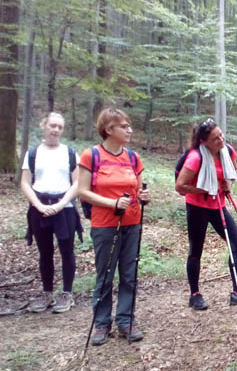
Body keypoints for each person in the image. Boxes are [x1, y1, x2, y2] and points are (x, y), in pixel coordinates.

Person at [78, 108, 151, 345]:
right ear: (109, 129)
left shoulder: (133, 158)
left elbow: (138, 190)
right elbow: (83, 191)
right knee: (105, 275)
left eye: (129, 126)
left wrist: (144, 197)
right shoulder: (91, 156)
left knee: (129, 274)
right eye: (124, 126)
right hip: (104, 225)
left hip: (132, 223)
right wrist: (113, 203)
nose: (130, 130)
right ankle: (101, 323)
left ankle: (126, 320)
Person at [175, 119, 237, 310]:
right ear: (203, 141)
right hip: (197, 207)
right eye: (215, 138)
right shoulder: (195, 157)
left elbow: (234, 171)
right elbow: (180, 186)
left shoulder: (227, 151)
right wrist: (203, 189)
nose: (221, 139)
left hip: (218, 205)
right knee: (196, 250)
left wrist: (227, 184)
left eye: (221, 135)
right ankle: (195, 295)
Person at [21, 112, 82, 313]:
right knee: (45, 252)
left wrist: (61, 203)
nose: (56, 130)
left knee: (67, 250)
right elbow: (25, 182)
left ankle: (67, 293)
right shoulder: (33, 153)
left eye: (60, 127)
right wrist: (38, 205)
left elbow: (77, 183)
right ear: (44, 126)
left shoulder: (70, 153)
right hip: (39, 209)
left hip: (65, 209)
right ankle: (47, 292)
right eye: (52, 126)